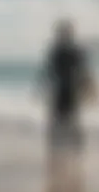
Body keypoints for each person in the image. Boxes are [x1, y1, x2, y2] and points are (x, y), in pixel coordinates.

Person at [39, 19, 91, 149]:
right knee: (65, 121)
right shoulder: (61, 51)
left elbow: (83, 72)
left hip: (67, 91)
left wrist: (87, 88)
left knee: (68, 121)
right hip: (64, 91)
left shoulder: (67, 51)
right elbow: (49, 72)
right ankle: (68, 148)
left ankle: (71, 148)